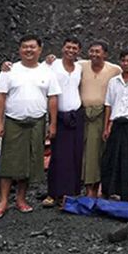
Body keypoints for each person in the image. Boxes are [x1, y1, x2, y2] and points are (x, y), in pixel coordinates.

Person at [0, 34, 61, 220]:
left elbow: (53, 98)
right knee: (8, 161)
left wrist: (52, 123)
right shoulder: (9, 70)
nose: (28, 50)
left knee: (29, 161)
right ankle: (3, 201)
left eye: (32, 47)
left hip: (37, 121)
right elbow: (1, 96)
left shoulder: (47, 71)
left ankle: (21, 199)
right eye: (25, 47)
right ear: (19, 49)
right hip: (13, 120)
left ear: (40, 49)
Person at [44, 36, 84, 208]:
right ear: (62, 48)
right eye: (68, 47)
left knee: (74, 155)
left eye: (74, 48)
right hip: (58, 117)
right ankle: (53, 193)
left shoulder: (80, 68)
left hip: (76, 116)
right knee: (58, 156)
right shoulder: (53, 65)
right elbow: (35, 71)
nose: (71, 51)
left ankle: (70, 193)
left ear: (79, 51)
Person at [79, 41, 121, 198]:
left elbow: (127, 79)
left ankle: (99, 188)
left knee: (99, 152)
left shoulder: (114, 70)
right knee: (85, 152)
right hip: (83, 114)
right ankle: (86, 187)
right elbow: (62, 66)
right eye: (92, 51)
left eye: (98, 52)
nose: (94, 55)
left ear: (105, 54)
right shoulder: (81, 66)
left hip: (103, 114)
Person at [100, 48, 128, 201]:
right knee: (110, 158)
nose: (126, 64)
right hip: (116, 123)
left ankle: (125, 194)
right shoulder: (113, 82)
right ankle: (109, 191)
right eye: (123, 60)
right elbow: (108, 105)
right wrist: (106, 126)